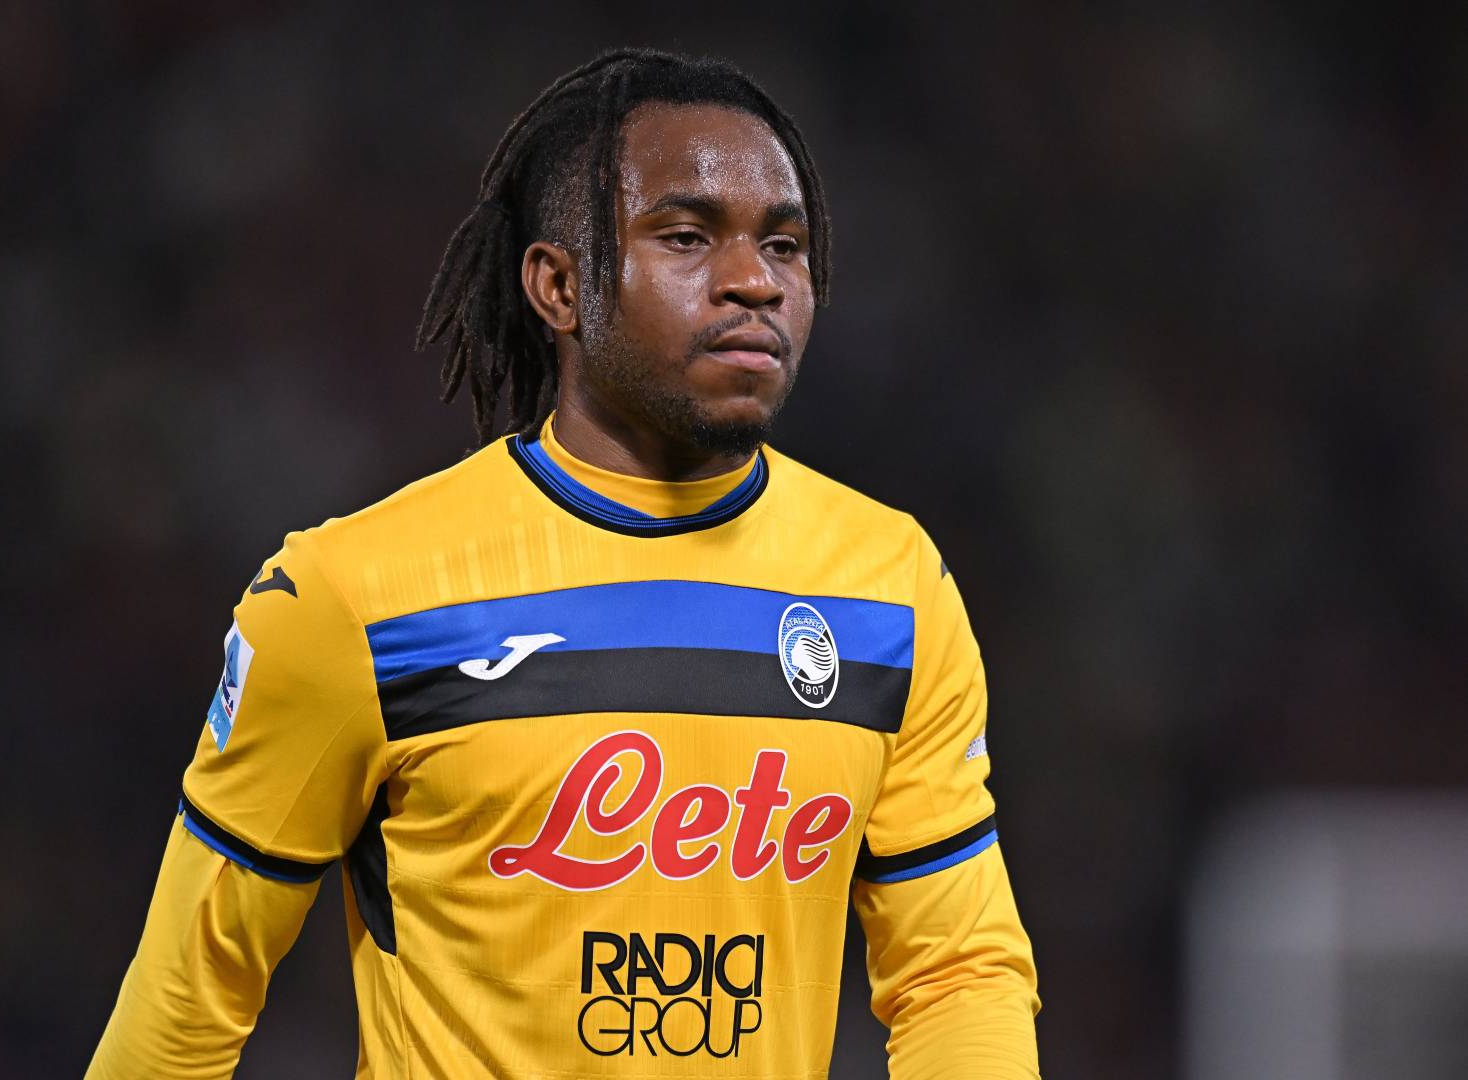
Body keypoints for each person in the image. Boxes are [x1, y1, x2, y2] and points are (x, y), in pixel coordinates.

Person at [88, 47, 1040, 1078]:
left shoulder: (889, 589)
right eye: (687, 236)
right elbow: (187, 1001)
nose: (754, 281)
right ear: (558, 286)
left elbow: (958, 971)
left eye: (784, 244)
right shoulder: (355, 596)